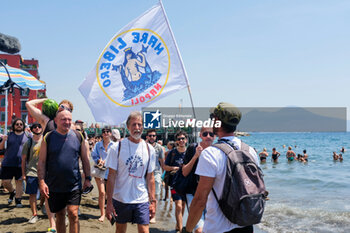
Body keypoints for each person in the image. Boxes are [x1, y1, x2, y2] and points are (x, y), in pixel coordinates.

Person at [184, 102, 260, 233]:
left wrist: (188, 229)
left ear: (217, 121)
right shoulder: (250, 151)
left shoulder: (210, 154)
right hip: (246, 225)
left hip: (218, 228)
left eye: (212, 117)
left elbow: (200, 200)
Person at [38, 108, 92, 233]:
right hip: (54, 184)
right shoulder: (48, 137)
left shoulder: (78, 136)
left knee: (73, 214)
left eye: (69, 119)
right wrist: (41, 181)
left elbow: (85, 160)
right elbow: (41, 161)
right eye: (63, 119)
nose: (67, 122)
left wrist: (88, 179)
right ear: (56, 121)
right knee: (60, 214)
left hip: (73, 184)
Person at [105, 111, 156, 233]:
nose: (137, 128)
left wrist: (153, 201)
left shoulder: (150, 149)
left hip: (141, 198)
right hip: (121, 198)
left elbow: (150, 177)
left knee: (144, 230)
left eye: (139, 125)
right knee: (120, 229)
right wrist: (109, 202)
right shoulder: (116, 148)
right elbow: (111, 177)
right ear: (128, 127)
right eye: (134, 125)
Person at [182, 127, 215, 233]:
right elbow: (184, 172)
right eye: (205, 134)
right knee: (199, 229)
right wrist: (196, 156)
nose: (208, 136)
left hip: (211, 195)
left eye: (211, 134)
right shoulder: (192, 148)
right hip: (193, 193)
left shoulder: (217, 151)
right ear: (200, 135)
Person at [0, 118, 28, 207]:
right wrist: (4, 140)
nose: (19, 126)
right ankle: (13, 192)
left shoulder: (28, 136)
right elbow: (1, 148)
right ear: (14, 126)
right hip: (8, 163)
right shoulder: (8, 135)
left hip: (21, 163)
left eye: (21, 124)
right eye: (17, 124)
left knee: (19, 182)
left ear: (23, 126)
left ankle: (18, 199)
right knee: (5, 182)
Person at [164, 130, 187, 232]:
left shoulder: (189, 153)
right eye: (179, 139)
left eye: (183, 138)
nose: (181, 140)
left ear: (186, 140)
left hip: (186, 184)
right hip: (174, 184)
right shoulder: (172, 153)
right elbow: (165, 167)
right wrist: (174, 168)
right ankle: (181, 229)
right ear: (176, 141)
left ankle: (179, 225)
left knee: (182, 206)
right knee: (178, 204)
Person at [91, 126, 114, 222]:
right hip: (99, 170)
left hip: (110, 172)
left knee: (110, 194)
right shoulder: (97, 145)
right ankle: (102, 214)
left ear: (110, 133)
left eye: (107, 131)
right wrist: (98, 160)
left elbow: (117, 158)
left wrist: (107, 161)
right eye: (104, 131)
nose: (105, 133)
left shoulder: (114, 145)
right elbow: (93, 154)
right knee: (102, 193)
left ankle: (110, 212)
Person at [21, 122, 43, 224]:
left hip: (45, 173)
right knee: (32, 195)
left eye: (39, 126)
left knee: (46, 194)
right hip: (32, 172)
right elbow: (23, 160)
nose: (37, 128)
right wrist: (24, 174)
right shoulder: (28, 142)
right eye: (35, 127)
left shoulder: (46, 141)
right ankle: (34, 214)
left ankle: (42, 205)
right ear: (32, 129)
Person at [146, 129, 164, 224]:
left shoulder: (159, 148)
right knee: (146, 194)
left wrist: (163, 177)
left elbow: (162, 162)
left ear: (156, 137)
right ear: (147, 136)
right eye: (150, 135)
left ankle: (153, 215)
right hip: (145, 173)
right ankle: (146, 213)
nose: (152, 137)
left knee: (155, 195)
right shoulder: (144, 146)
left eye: (153, 135)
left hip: (156, 172)